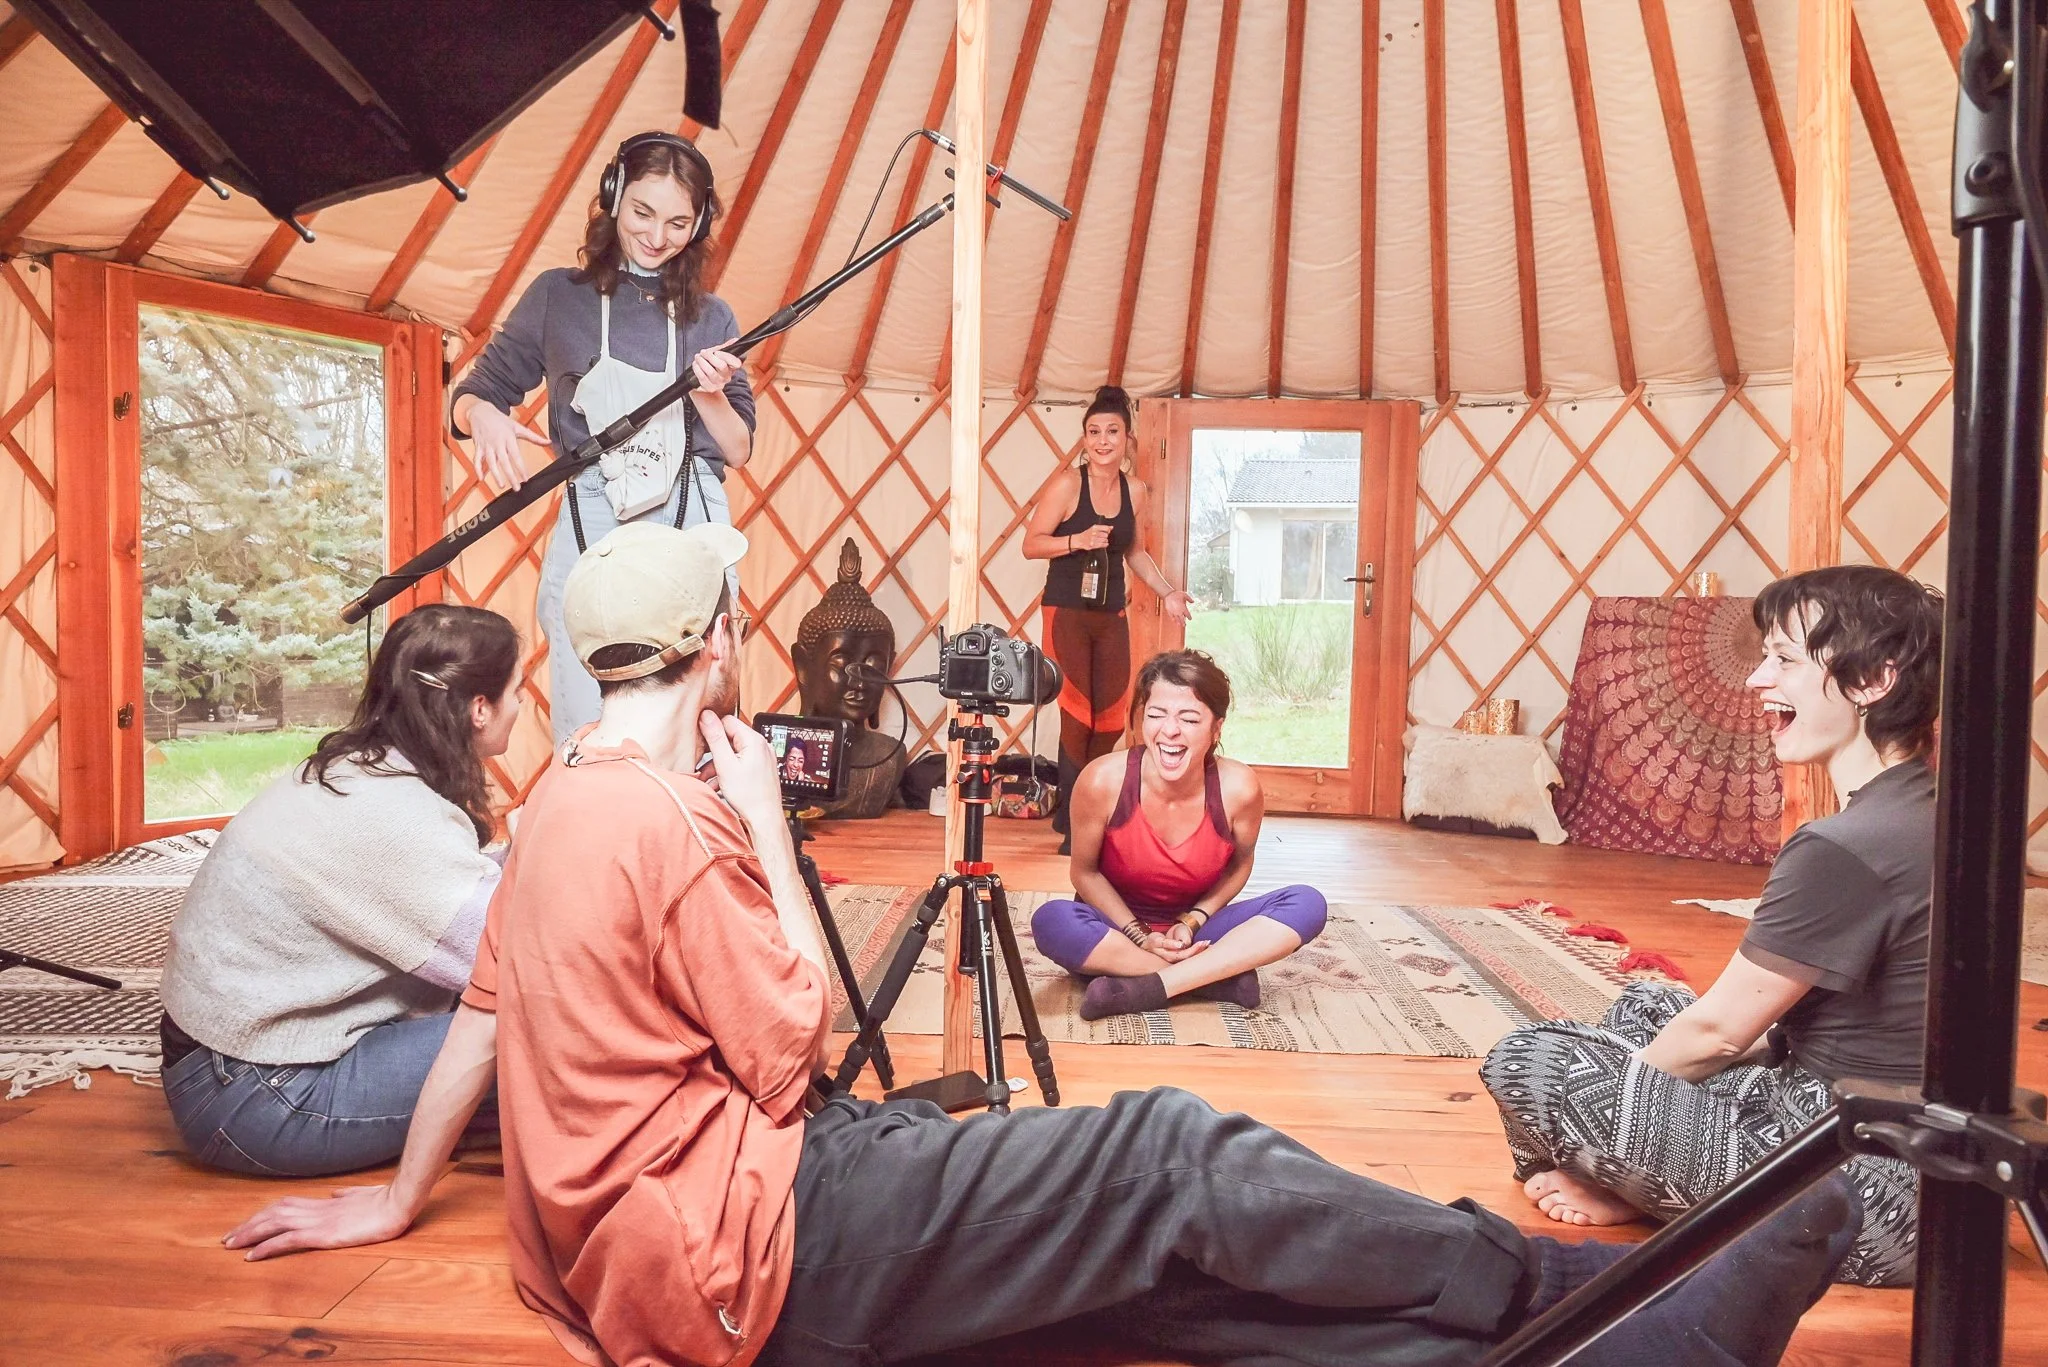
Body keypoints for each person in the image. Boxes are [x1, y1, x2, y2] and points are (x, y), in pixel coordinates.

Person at [221, 522, 1861, 1367]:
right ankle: (1581, 1286)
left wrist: (389, 1192)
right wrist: (773, 842)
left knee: (1170, 1277)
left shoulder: (552, 810)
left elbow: (484, 1019)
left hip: (651, 1249)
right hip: (755, 1240)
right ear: (719, 642)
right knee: (1169, 1152)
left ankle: (1609, 1346)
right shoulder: (669, 812)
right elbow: (788, 1043)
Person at [1479, 565, 1942, 1288]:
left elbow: (1721, 1033)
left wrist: (1611, 1138)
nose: (1758, 678)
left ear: (1872, 681)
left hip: (1860, 1189)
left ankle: (1623, 1186)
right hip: (1926, 1165)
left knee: (1529, 1060)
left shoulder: (1844, 847)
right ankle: (1632, 1168)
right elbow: (1771, 1025)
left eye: (1786, 660)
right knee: (1648, 1005)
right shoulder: (1928, 810)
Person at [156, 604, 520, 1176]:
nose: (522, 707)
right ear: (480, 709)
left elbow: (459, 889)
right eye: (517, 691)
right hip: (260, 1098)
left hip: (224, 1063)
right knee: (561, 1036)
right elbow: (515, 966)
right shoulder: (395, 819)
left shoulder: (362, 770)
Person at [451, 129, 753, 745]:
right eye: (642, 212)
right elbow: (473, 393)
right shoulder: (559, 298)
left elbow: (740, 449)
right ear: (614, 197)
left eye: (677, 222)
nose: (655, 236)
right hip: (592, 508)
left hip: (690, 511)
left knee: (693, 689)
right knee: (581, 675)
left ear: (696, 228)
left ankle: (690, 824)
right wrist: (481, 414)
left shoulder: (712, 317)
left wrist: (709, 393)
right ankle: (589, 815)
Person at [1031, 650, 1327, 1021]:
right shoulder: (1102, 780)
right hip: (1116, 931)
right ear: (1140, 721)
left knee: (1307, 902)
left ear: (1216, 729)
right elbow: (1084, 873)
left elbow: (1240, 864)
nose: (1169, 731)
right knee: (1052, 920)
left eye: (1189, 719)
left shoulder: (1239, 788)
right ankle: (1213, 979)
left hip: (1199, 930)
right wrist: (1142, 936)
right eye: (1156, 715)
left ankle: (1146, 986)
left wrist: (1192, 922)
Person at [1024, 385, 1193, 852]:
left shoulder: (1133, 490)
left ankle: (1084, 813)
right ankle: (1077, 830)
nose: (1102, 440)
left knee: (1112, 718)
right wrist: (1076, 541)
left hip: (1110, 612)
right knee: (1078, 713)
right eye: (1094, 432)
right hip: (1067, 613)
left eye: (1112, 432)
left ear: (1127, 440)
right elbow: (1031, 543)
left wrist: (1168, 593)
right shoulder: (1066, 485)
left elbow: (1133, 551)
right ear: (1083, 439)